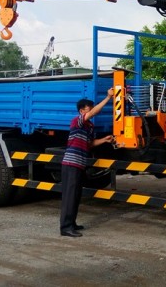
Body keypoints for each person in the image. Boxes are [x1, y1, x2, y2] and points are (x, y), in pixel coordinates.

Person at [60, 88, 114, 238]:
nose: (91, 110)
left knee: (76, 195)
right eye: (88, 108)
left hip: (79, 164)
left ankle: (72, 223)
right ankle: (65, 227)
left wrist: (104, 140)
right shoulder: (76, 121)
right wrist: (108, 97)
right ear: (82, 110)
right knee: (70, 195)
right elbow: (94, 112)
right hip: (71, 163)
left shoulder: (89, 126)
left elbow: (90, 144)